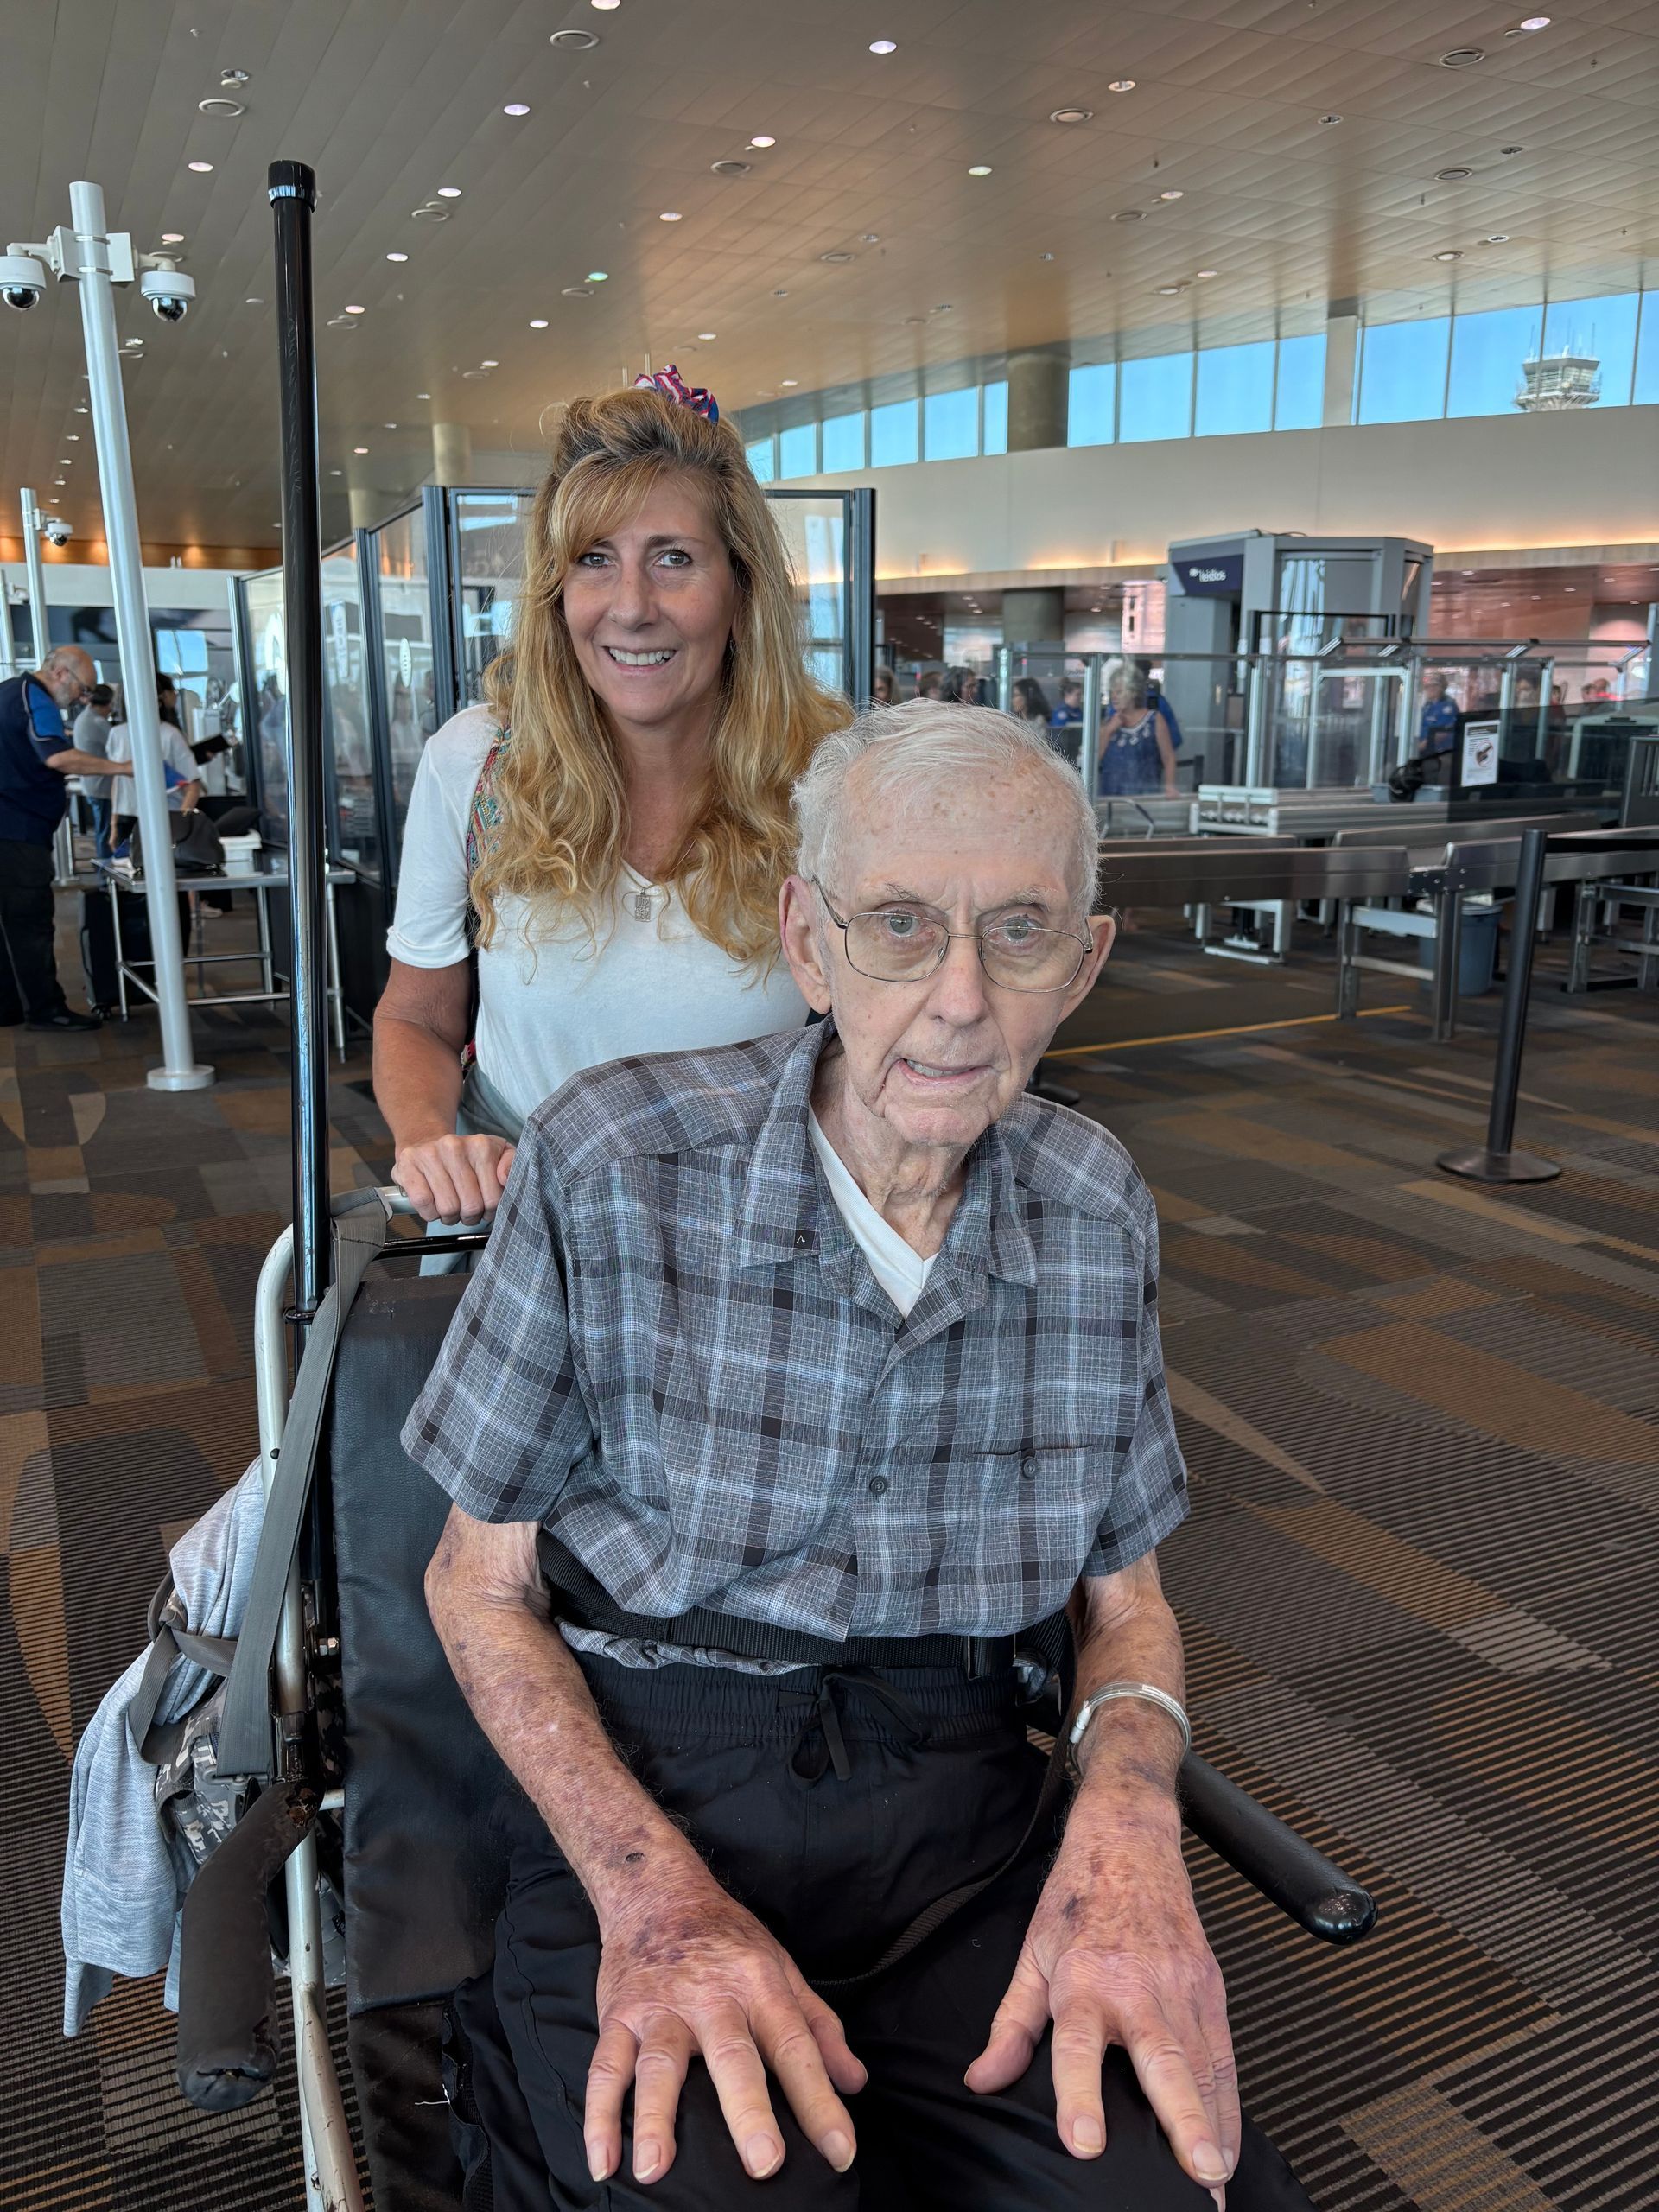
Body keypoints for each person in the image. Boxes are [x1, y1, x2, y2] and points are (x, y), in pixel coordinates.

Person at [416, 702, 1313, 2212]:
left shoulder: (1096, 1206)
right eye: (899, 927)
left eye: (1020, 931)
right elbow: (477, 1588)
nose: (961, 999)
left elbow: (1128, 1608)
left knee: (1160, 2191)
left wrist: (1131, 1814)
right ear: (809, 945)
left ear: (1083, 966)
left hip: (959, 1800)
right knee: (709, 2186)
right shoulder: (613, 1160)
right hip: (656, 1764)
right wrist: (648, 1900)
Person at [374, 373, 848, 1227]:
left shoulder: (832, 779)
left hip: (752, 1235)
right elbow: (415, 1016)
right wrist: (428, 1142)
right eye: (596, 560)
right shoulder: (477, 763)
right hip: (527, 1230)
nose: (632, 607)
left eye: (674, 558)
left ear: (741, 589)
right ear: (557, 596)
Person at [0, 646, 111, 1029]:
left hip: (11, 827)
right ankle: (46, 1010)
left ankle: (10, 1005)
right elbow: (56, 758)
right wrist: (125, 767)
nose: (83, 699)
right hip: (17, 831)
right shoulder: (35, 697)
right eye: (84, 689)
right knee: (30, 921)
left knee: (8, 922)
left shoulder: (7, 691)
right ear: (61, 673)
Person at [106, 679, 203, 844]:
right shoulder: (117, 734)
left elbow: (193, 786)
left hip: (164, 815)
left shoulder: (170, 734)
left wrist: (181, 824)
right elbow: (118, 780)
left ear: (158, 702)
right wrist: (114, 823)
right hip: (127, 816)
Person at [1098, 666, 1178, 798]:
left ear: (1134, 692)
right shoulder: (1107, 722)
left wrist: (1170, 786)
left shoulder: (1154, 720)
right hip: (1110, 797)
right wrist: (1108, 731)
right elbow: (1094, 758)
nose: (1114, 697)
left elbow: (1168, 757)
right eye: (1112, 692)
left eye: (1119, 692)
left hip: (1145, 796)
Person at [73, 683, 117, 860]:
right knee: (106, 831)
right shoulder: (98, 722)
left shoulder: (84, 718)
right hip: (102, 785)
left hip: (92, 783)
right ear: (107, 704)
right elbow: (117, 746)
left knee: (102, 829)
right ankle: (106, 877)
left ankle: (104, 876)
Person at [1414, 671, 1460, 785]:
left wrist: (1418, 747)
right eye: (1428, 686)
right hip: (1422, 749)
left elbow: (1441, 734)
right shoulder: (1427, 706)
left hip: (1439, 751)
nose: (1430, 688)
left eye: (1434, 685)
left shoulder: (1447, 706)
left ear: (1442, 687)